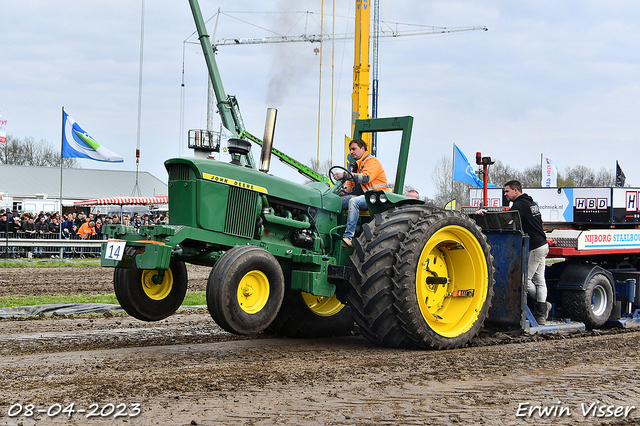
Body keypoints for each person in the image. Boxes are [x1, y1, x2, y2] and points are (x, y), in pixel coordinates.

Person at [477, 180, 550, 324]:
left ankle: (542, 307)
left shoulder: (520, 205)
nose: (505, 194)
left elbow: (505, 218)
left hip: (535, 247)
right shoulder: (531, 203)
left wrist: (486, 213)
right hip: (543, 244)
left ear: (516, 191)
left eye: (507, 191)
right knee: (539, 280)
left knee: (525, 280)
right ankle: (542, 313)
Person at [332, 139, 389, 247]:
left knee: (354, 201)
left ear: (362, 148)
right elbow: (349, 185)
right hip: (359, 196)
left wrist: (344, 175)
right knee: (333, 202)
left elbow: (366, 178)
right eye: (350, 150)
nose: (351, 152)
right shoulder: (355, 166)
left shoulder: (372, 161)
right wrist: (339, 192)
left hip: (373, 197)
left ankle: (348, 237)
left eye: (354, 149)